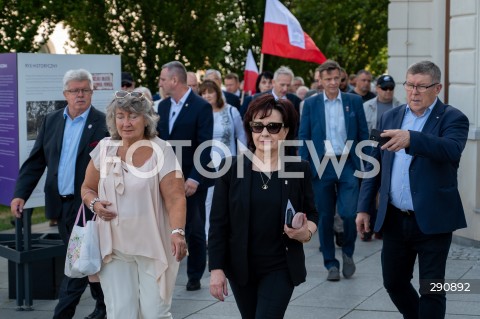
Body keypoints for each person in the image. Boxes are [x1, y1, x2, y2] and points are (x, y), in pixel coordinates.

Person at [356, 60, 469, 319]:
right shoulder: (388, 117)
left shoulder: (454, 118)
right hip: (395, 218)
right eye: (409, 85)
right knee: (393, 282)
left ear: (437, 88)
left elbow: (451, 149)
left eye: (421, 86)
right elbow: (372, 162)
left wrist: (412, 139)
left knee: (432, 288)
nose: (414, 92)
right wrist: (363, 207)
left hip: (433, 219)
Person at [209, 94, 318, 318]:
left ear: (286, 131)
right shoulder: (230, 168)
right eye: (258, 126)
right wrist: (216, 268)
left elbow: (314, 212)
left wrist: (305, 233)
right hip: (241, 269)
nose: (265, 133)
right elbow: (219, 223)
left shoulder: (299, 168)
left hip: (281, 266)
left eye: (273, 126)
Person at [10, 69, 108, 319]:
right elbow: (36, 161)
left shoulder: (103, 124)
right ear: (65, 94)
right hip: (59, 205)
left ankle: (62, 314)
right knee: (82, 259)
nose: (80, 95)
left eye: (85, 90)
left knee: (76, 261)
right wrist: (20, 194)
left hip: (86, 205)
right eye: (75, 90)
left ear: (92, 92)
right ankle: (103, 306)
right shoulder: (51, 120)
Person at [80, 91, 187, 318]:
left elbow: (176, 197)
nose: (126, 123)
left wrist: (178, 232)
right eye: (120, 116)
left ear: (146, 119)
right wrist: (95, 204)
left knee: (155, 313)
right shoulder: (104, 148)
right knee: (120, 313)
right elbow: (87, 189)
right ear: (113, 119)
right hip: (114, 247)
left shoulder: (162, 150)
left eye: (133, 116)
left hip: (153, 245)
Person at [298, 59, 369, 282]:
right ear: (320, 80)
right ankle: (331, 264)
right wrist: (303, 165)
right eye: (327, 79)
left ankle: (347, 253)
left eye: (336, 78)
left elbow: (363, 134)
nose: (332, 83)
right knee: (325, 217)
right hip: (321, 165)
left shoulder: (353, 101)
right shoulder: (311, 104)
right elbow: (304, 135)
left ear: (342, 78)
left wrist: (366, 161)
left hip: (347, 163)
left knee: (349, 214)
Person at [156, 61, 214, 291]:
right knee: (166, 225)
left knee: (195, 229)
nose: (159, 83)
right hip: (165, 178)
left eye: (162, 79)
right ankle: (166, 268)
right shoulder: (161, 107)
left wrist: (195, 178)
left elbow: (205, 145)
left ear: (174, 81)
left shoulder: (201, 106)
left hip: (192, 180)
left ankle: (195, 275)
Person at [198, 79, 247, 238]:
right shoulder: (200, 112)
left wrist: (243, 157)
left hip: (229, 159)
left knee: (231, 198)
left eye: (210, 92)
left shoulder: (231, 111)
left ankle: (232, 233)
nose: (206, 96)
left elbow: (241, 135)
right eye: (203, 93)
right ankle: (208, 235)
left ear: (217, 93)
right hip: (207, 160)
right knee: (209, 200)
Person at [361, 74, 402, 241]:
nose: (388, 91)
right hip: (370, 151)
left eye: (391, 88)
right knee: (369, 188)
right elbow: (362, 131)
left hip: (393, 153)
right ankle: (367, 227)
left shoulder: (400, 106)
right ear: (377, 88)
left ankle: (381, 226)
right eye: (384, 88)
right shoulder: (367, 107)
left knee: (386, 190)